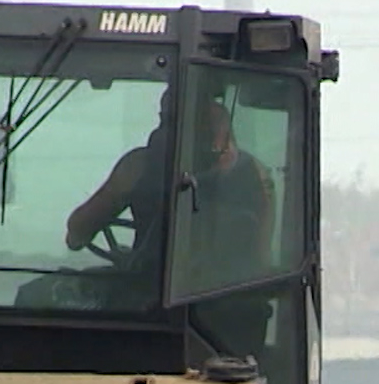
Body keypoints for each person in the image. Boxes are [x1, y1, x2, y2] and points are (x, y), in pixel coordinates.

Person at [65, 97, 274, 273]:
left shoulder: (138, 165)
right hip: (232, 305)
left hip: (159, 303)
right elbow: (78, 231)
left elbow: (78, 231)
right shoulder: (258, 172)